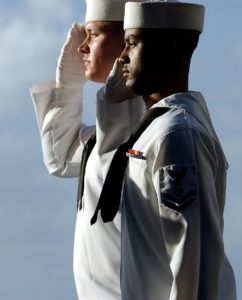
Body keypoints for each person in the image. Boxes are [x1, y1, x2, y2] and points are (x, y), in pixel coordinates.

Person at [95, 1, 237, 299]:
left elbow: (193, 262)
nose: (122, 56)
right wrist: (110, 103)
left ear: (169, 48)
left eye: (132, 43)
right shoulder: (156, 128)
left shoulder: (177, 135)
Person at [30, 0, 143, 299]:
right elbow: (61, 157)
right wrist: (68, 84)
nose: (82, 47)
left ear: (129, 42)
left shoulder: (153, 131)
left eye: (94, 34)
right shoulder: (111, 130)